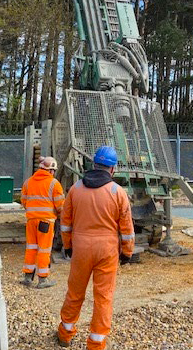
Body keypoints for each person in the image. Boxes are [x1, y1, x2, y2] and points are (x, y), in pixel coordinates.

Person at [57, 146, 134, 350]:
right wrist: (127, 252)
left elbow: (65, 222)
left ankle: (65, 333)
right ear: (112, 169)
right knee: (103, 297)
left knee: (75, 292)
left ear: (93, 164)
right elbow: (126, 228)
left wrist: (68, 246)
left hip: (81, 247)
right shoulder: (118, 192)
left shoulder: (76, 189)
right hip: (107, 250)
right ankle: (96, 343)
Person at [20, 156, 65, 288]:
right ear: (51, 170)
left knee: (31, 248)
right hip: (46, 222)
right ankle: (43, 280)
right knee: (44, 250)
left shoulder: (28, 182)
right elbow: (60, 206)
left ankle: (28, 277)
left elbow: (24, 201)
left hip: (31, 220)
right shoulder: (54, 184)